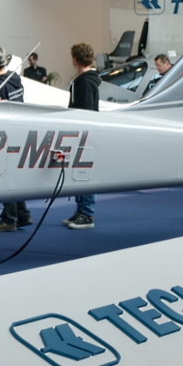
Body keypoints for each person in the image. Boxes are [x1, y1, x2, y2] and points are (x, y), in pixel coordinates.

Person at [0, 44, 32, 233]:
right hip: (20, 130)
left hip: (6, 136)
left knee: (6, 178)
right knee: (15, 176)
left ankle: (9, 219)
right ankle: (23, 214)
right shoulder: (15, 80)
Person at [64, 42, 101, 230]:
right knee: (79, 173)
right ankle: (82, 210)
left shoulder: (84, 82)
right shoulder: (88, 80)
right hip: (85, 133)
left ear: (75, 60)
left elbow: (84, 111)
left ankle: (86, 213)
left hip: (84, 135)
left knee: (83, 173)